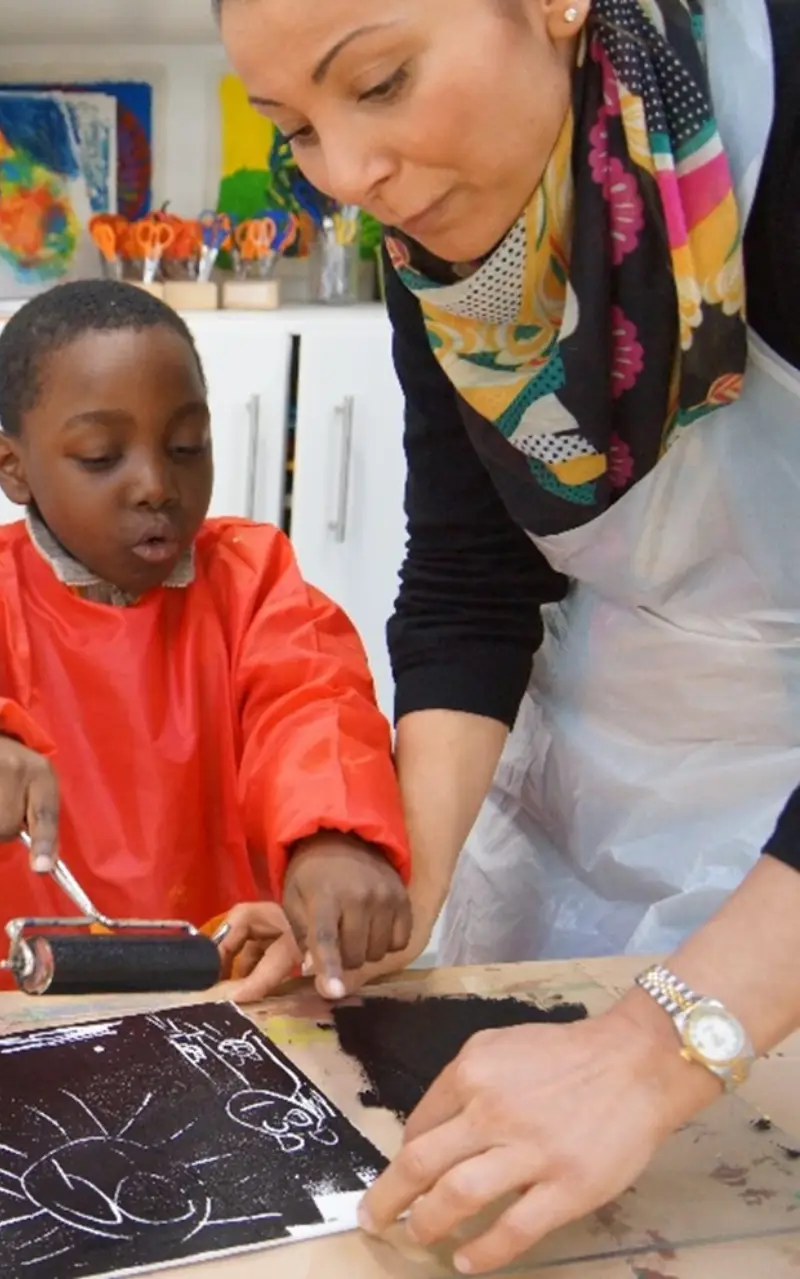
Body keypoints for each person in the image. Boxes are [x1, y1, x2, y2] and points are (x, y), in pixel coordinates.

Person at [217, 0, 800, 1269]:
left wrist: (653, 1050)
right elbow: (473, 582)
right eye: (294, 130)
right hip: (606, 768)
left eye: (378, 81)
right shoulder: (445, 245)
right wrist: (397, 895)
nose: (350, 176)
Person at [0, 279, 412, 996]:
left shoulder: (255, 584)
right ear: (13, 465)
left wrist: (333, 839)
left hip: (226, 1000)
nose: (155, 484)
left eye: (186, 445)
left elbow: (312, 705)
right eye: (102, 455)